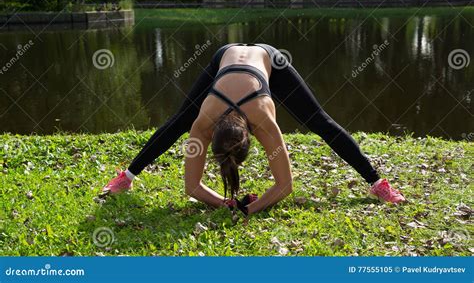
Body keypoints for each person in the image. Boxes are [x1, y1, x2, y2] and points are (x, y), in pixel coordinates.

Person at [102, 43, 405, 215]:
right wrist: (229, 203)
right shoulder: (203, 121)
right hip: (225, 56)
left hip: (269, 58)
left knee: (319, 121)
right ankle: (126, 177)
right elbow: (191, 188)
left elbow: (286, 186)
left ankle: (377, 182)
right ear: (210, 137)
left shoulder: (263, 120)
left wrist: (246, 209)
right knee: (180, 119)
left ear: (254, 136)